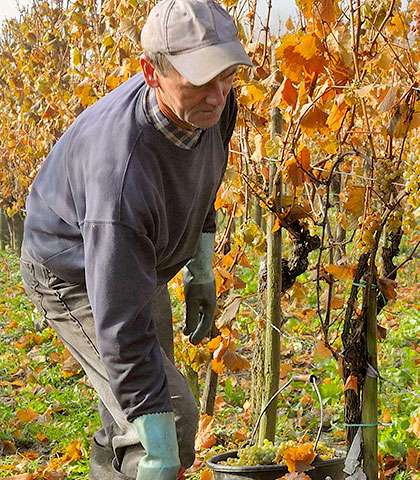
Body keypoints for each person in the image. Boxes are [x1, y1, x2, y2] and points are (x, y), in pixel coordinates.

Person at [18, 0, 252, 478]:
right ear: (152, 72)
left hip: (136, 260)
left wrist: (200, 266)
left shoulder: (213, 109)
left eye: (226, 75)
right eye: (199, 79)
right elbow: (122, 327)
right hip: (72, 273)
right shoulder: (121, 175)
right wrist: (162, 453)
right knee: (169, 418)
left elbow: (204, 179)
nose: (217, 94)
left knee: (134, 408)